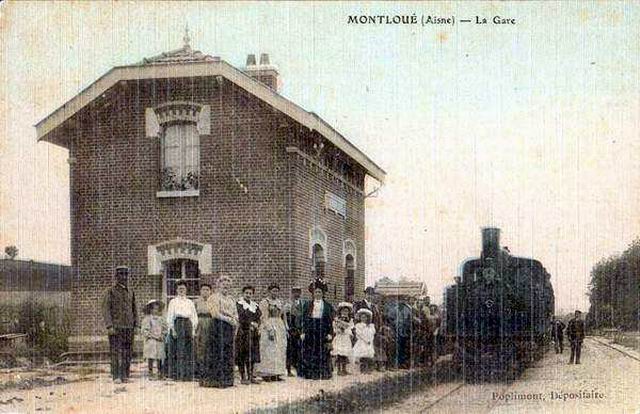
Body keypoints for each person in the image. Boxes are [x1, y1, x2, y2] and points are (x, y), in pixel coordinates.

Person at [101, 266, 138, 384]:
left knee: (128, 351)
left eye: (125, 275)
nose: (123, 277)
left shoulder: (131, 292)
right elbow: (106, 309)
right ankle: (116, 375)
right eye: (121, 275)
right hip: (116, 327)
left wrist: (136, 325)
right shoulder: (110, 291)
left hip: (129, 327)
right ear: (116, 277)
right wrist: (109, 325)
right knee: (116, 351)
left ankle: (125, 375)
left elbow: (134, 309)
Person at [201, 275, 238, 388]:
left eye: (227, 284)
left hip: (229, 327)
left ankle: (227, 380)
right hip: (218, 326)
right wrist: (228, 319)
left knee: (228, 352)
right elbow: (215, 313)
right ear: (219, 285)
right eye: (223, 284)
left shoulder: (231, 299)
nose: (225, 286)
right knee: (217, 352)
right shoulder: (214, 297)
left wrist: (235, 320)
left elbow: (235, 312)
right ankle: (216, 380)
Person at [298, 278, 334, 380]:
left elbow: (330, 321)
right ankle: (310, 373)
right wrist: (303, 331)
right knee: (310, 351)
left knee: (322, 351)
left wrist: (330, 333)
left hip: (322, 329)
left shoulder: (327, 306)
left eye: (319, 292)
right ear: (313, 293)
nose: (317, 294)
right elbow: (303, 319)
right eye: (316, 292)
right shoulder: (308, 305)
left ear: (323, 293)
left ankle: (322, 373)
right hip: (311, 329)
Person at [166, 281, 198, 381]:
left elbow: (194, 317)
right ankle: (178, 375)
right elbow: (170, 316)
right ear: (176, 290)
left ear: (186, 290)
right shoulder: (173, 302)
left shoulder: (190, 302)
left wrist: (193, 330)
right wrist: (172, 329)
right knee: (178, 350)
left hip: (188, 324)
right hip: (178, 324)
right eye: (179, 288)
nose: (181, 290)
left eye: (183, 289)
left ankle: (188, 375)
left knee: (188, 350)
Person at [256, 284, 288, 382]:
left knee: (279, 349)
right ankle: (267, 373)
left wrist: (286, 328)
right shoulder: (264, 302)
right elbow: (263, 317)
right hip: (269, 325)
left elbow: (283, 316)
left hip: (279, 325)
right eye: (273, 291)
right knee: (269, 349)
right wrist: (269, 329)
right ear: (269, 291)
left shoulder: (279, 302)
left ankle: (277, 373)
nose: (275, 293)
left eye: (276, 291)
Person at [236, 285, 262, 385]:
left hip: (253, 332)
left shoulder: (255, 305)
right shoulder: (239, 304)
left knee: (252, 354)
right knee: (243, 354)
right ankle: (243, 376)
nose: (248, 295)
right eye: (246, 293)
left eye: (250, 293)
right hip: (243, 331)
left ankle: (251, 376)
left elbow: (259, 317)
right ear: (243, 294)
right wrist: (250, 323)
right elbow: (241, 317)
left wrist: (257, 324)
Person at [354, 287, 385, 370]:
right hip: (362, 330)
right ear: (365, 294)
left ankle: (376, 364)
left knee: (376, 344)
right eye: (368, 294)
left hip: (372, 330)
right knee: (364, 346)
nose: (370, 296)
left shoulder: (374, 307)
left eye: (371, 295)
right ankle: (364, 365)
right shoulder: (359, 304)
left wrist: (378, 328)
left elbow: (377, 319)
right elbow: (356, 318)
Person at [141, 300, 168, 380]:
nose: (155, 311)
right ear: (150, 310)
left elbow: (165, 329)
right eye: (153, 309)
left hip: (159, 340)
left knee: (160, 356)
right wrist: (152, 336)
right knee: (151, 355)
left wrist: (162, 335)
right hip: (151, 340)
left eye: (157, 309)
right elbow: (144, 330)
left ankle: (160, 373)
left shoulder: (161, 319)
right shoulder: (147, 319)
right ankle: (150, 372)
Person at [194, 283, 213, 379]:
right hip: (199, 323)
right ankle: (199, 371)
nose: (205, 292)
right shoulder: (196, 302)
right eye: (203, 290)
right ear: (200, 291)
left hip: (210, 323)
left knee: (209, 347)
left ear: (210, 292)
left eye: (207, 290)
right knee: (199, 347)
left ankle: (208, 370)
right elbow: (193, 315)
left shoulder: (213, 301)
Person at [284, 286, 304, 377]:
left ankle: (298, 368)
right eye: (295, 292)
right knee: (290, 350)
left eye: (298, 292)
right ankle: (288, 369)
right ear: (292, 293)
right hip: (292, 329)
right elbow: (286, 317)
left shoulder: (302, 304)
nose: (296, 294)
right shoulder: (288, 305)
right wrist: (288, 329)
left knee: (299, 349)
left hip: (299, 329)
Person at [331, 302, 354, 376]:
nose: (345, 312)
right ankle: (339, 370)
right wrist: (338, 330)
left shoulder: (350, 320)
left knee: (345, 354)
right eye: (343, 311)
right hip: (339, 337)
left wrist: (348, 332)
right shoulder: (337, 319)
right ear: (340, 311)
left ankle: (344, 369)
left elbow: (350, 328)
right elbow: (334, 328)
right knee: (339, 354)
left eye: (346, 311)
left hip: (345, 338)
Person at [353, 308, 376, 373]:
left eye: (365, 317)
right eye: (362, 317)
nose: (363, 319)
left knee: (368, 355)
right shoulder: (358, 325)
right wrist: (366, 340)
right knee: (363, 355)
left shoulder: (371, 326)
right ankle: (363, 369)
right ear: (360, 318)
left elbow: (373, 333)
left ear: (367, 318)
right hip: (362, 342)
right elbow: (359, 334)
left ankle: (368, 368)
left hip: (369, 342)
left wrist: (370, 340)